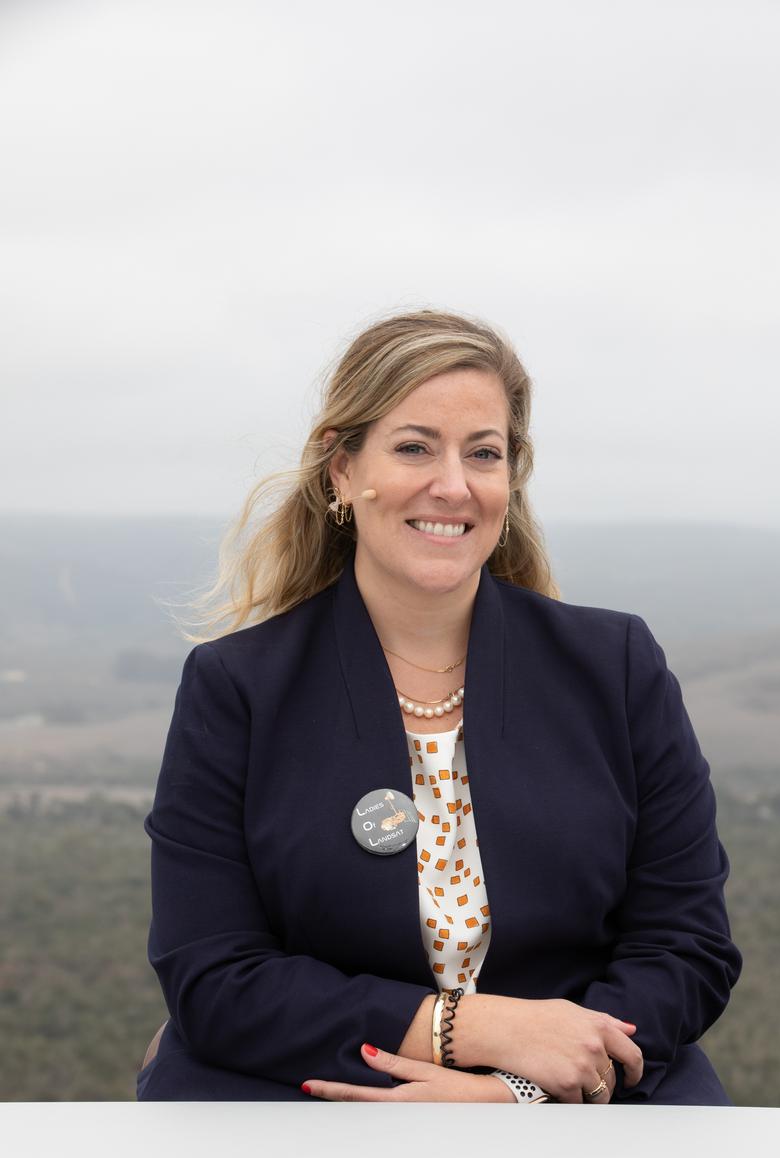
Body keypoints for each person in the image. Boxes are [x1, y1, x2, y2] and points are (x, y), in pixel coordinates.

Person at [136, 308, 742, 1105]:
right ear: (341, 471)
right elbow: (212, 973)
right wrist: (462, 1030)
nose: (452, 485)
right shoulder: (237, 688)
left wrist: (517, 1091)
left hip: (580, 1106)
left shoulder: (616, 667)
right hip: (303, 1097)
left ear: (508, 480)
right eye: (414, 447)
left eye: (482, 453)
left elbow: (684, 950)